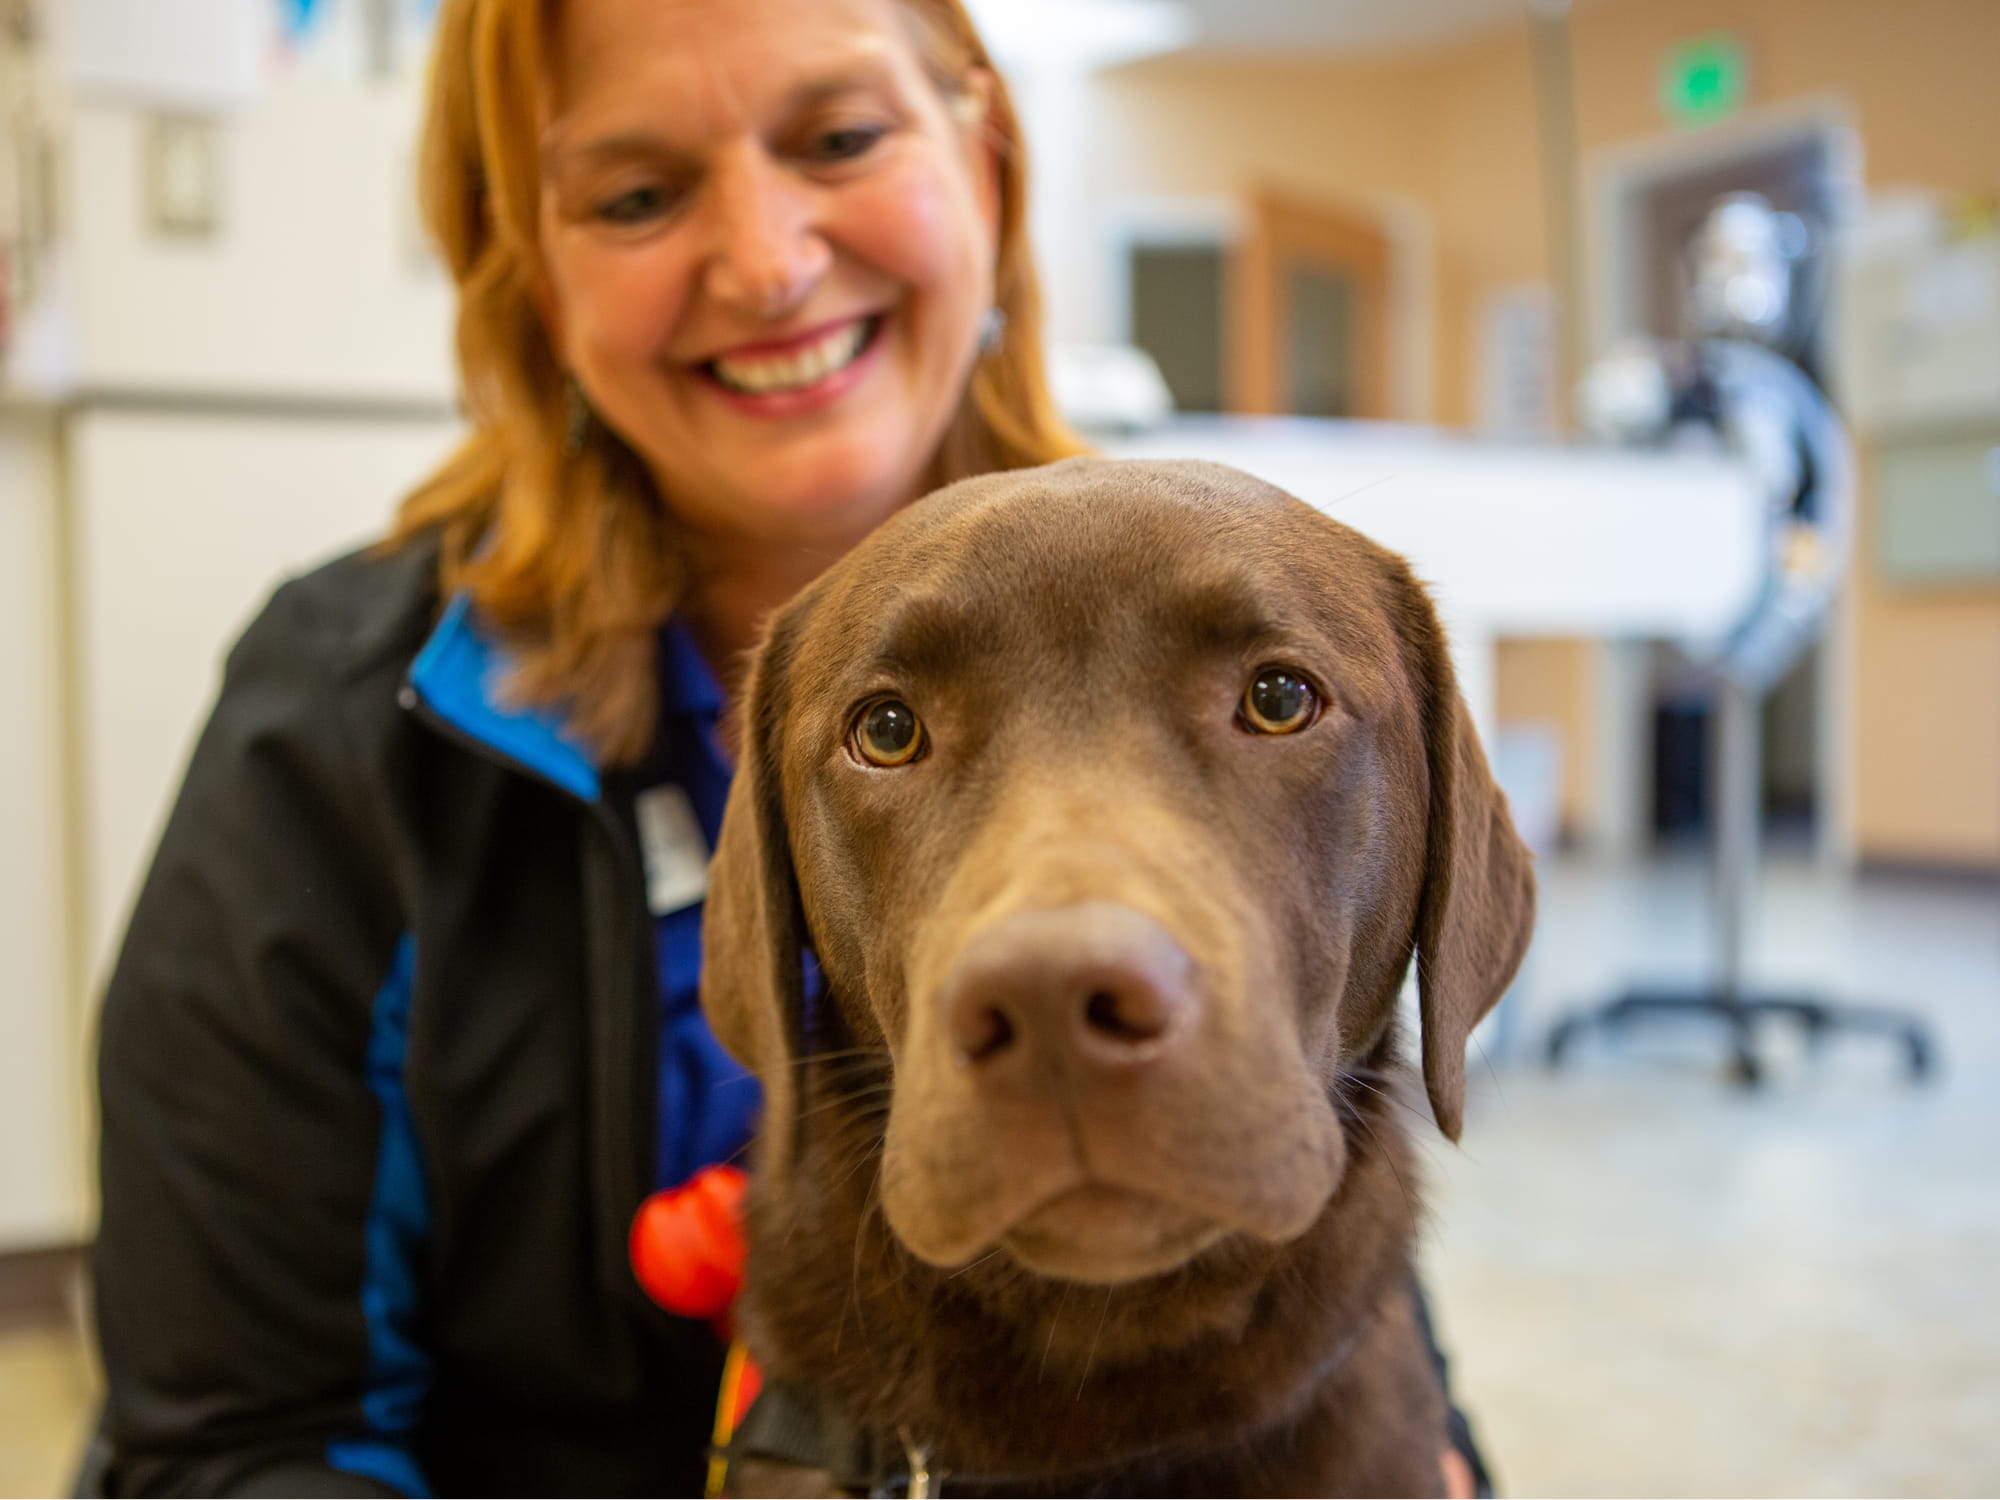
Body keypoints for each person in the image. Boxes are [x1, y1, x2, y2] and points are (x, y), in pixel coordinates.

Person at [88, 1, 1483, 1494]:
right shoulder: (349, 725)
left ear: (988, 160)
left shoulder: (1226, 571)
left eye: (840, 138)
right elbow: (230, 1448)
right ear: (528, 273)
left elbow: (1335, 1172)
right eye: (637, 196)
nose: (764, 262)